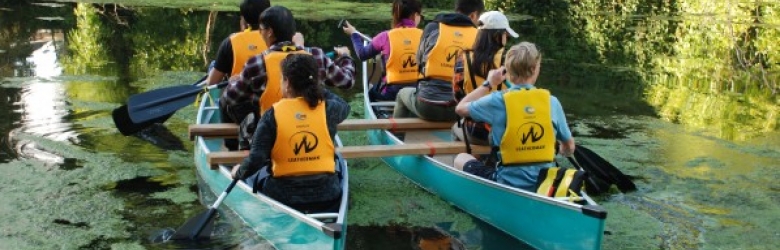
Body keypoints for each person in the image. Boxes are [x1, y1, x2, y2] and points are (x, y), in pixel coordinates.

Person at [220, 6, 355, 150]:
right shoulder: (317, 56)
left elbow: (231, 98)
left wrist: (236, 83)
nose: (260, 33)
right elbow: (347, 81)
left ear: (270, 32)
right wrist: (346, 57)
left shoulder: (256, 63)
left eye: (261, 29)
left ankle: (231, 147)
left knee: (225, 99)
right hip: (310, 133)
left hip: (271, 138)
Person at [230, 53, 350, 213]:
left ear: (287, 83)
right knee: (338, 161)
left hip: (282, 197)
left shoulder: (271, 115)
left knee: (254, 174)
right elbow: (345, 106)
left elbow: (256, 159)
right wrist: (318, 88)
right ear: (315, 81)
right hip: (327, 195)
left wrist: (237, 171)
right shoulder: (330, 109)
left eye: (282, 79)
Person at [453, 42, 576, 192]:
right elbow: (569, 146)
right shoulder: (552, 101)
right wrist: (563, 149)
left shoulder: (497, 100)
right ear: (533, 69)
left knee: (461, 158)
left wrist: (489, 83)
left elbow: (460, 108)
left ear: (509, 70)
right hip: (543, 185)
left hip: (506, 182)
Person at [392, 0, 484, 122]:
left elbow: (418, 61)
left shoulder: (433, 27)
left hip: (427, 106)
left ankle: (397, 136)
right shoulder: (480, 36)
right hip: (458, 111)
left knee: (401, 93)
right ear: (473, 15)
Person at [451, 11, 518, 145]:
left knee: (455, 128)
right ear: (498, 36)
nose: (507, 38)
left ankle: (462, 162)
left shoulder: (463, 59)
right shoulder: (511, 60)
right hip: (507, 131)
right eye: (506, 35)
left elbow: (457, 95)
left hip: (477, 131)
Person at [342, 0, 423, 101]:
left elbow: (362, 54)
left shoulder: (385, 36)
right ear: (415, 15)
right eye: (421, 16)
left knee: (372, 90)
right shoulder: (425, 36)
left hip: (391, 95)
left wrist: (354, 35)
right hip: (418, 92)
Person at [206, 0, 271, 85]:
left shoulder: (230, 42)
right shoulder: (276, 39)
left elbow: (211, 84)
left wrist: (244, 33)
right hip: (269, 94)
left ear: (243, 18)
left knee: (213, 64)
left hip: (237, 94)